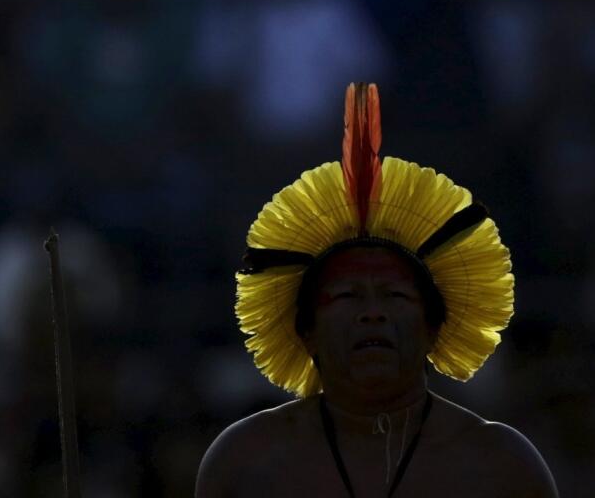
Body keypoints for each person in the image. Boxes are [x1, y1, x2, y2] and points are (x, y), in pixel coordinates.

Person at [197, 83, 558, 497]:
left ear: (434, 327)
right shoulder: (245, 461)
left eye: (395, 296)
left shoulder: (501, 464)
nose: (373, 313)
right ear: (305, 331)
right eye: (347, 296)